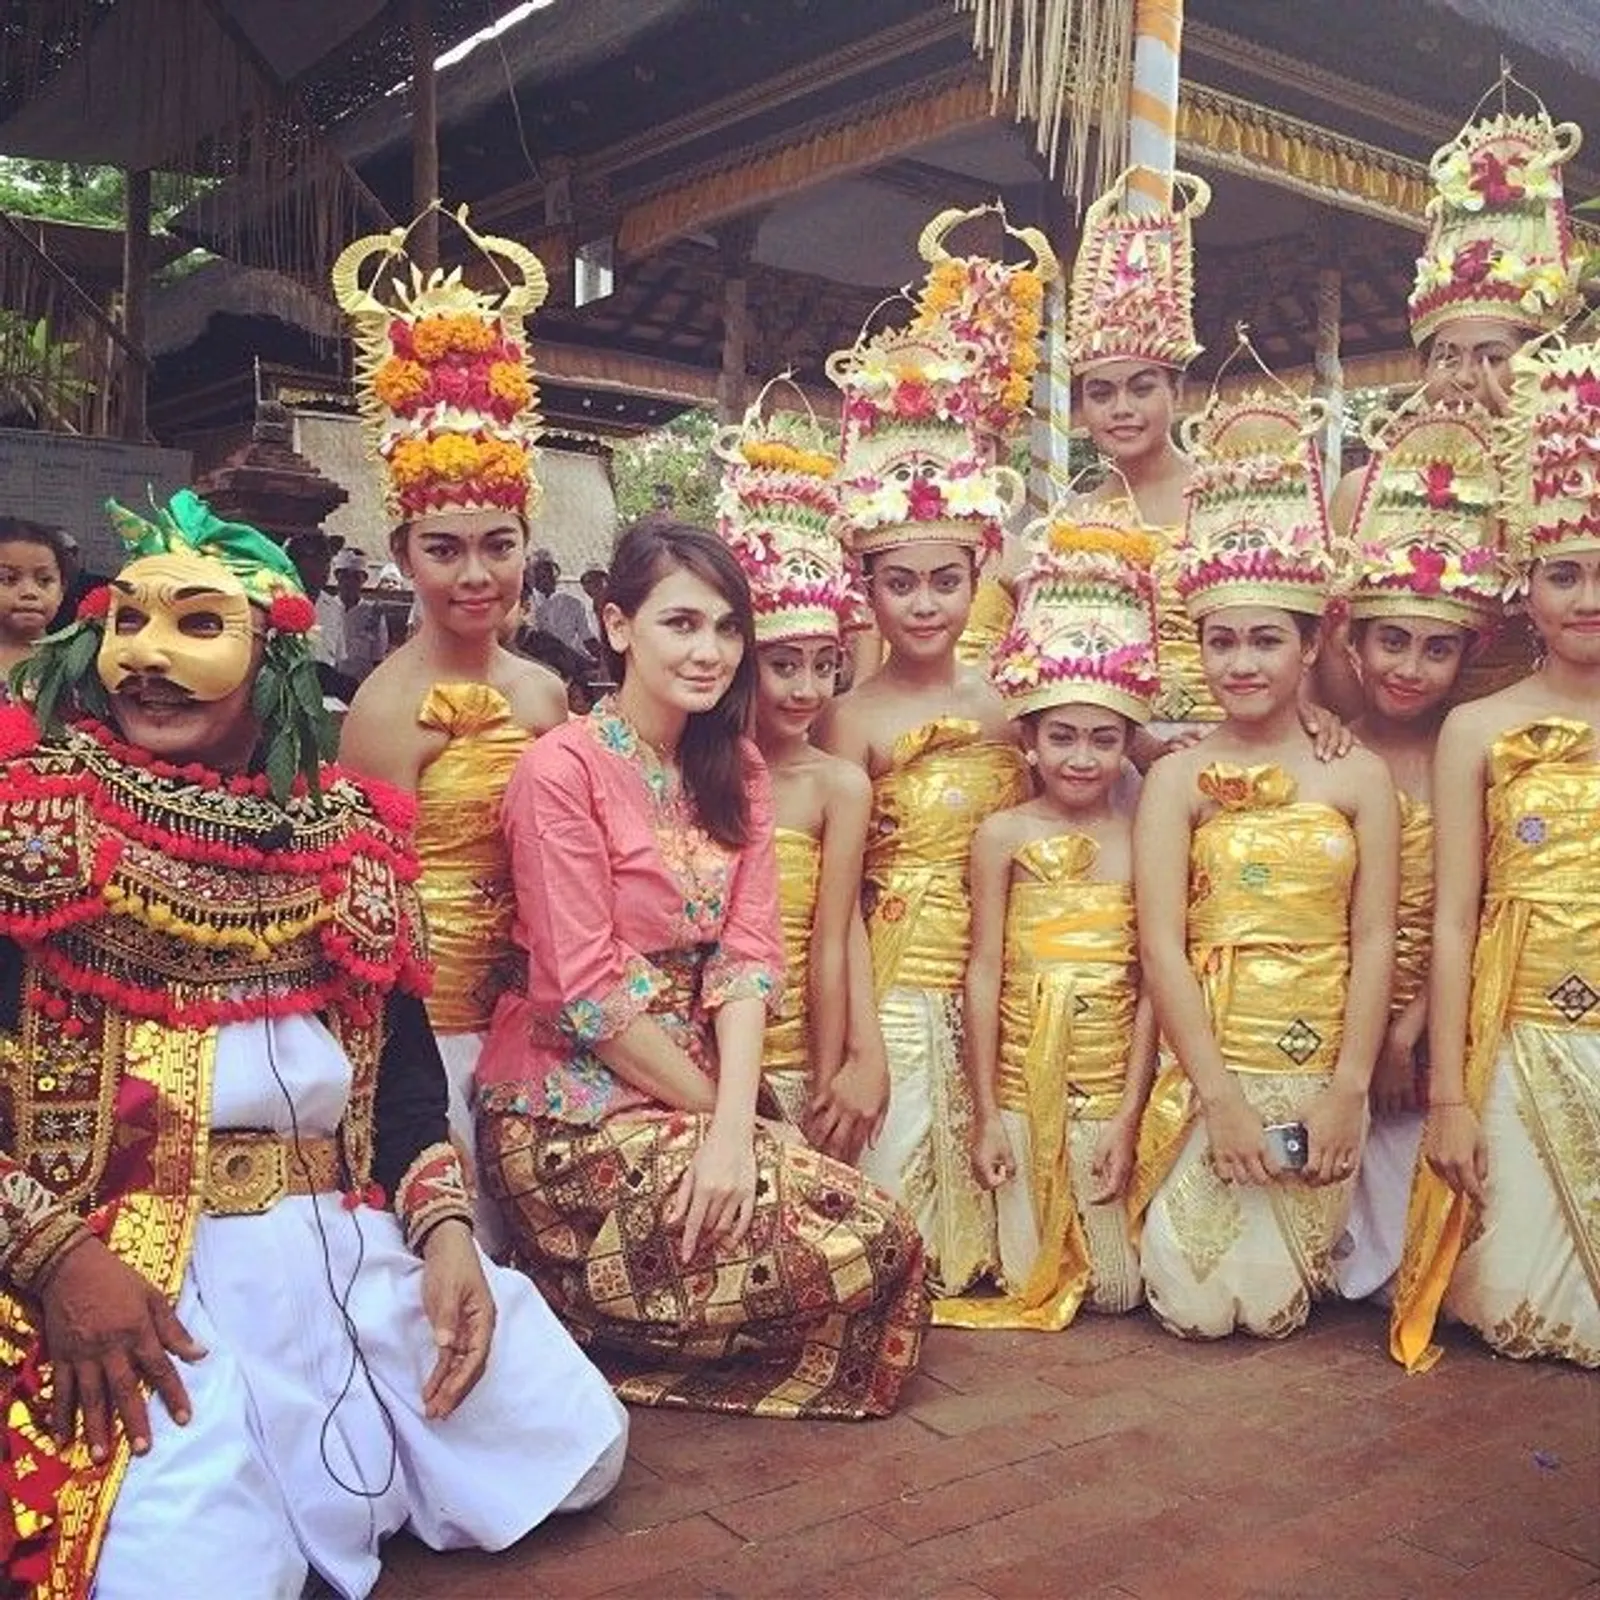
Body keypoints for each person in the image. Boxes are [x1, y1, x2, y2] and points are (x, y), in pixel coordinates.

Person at [0, 488, 625, 1599]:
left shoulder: (349, 848)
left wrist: (440, 1237)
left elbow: (404, 1093)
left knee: (574, 1448)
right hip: (132, 1268)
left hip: (337, 1240)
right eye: (129, 630)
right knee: (195, 1578)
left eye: (199, 629)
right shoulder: (36, 830)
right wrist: (58, 1261)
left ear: (275, 662)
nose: (150, 665)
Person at [475, 519, 928, 1419]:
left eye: (727, 629)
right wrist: (736, 1130)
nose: (709, 650)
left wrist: (737, 1125)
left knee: (884, 1238)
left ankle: (608, 1339)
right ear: (616, 627)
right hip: (571, 1111)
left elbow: (749, 958)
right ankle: (581, 1315)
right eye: (681, 623)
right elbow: (583, 988)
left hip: (703, 1100)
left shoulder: (738, 769)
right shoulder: (559, 770)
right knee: (861, 1237)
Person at [1131, 382, 1399, 1340]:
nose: (1242, 664)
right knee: (1195, 1304)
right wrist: (1222, 1103)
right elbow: (1160, 947)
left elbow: (1374, 944)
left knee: (1278, 1306)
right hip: (1213, 1068)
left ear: (1312, 641)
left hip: (1322, 1064)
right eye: (1221, 641)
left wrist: (1347, 1092)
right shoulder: (1178, 777)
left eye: (1265, 641)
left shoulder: (1356, 775)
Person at [333, 216, 566, 1251]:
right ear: (403, 553)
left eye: (497, 545)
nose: (476, 574)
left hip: (546, 1013)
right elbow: (364, 905)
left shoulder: (549, 691)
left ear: (526, 545)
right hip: (439, 1030)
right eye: (446, 548)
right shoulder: (385, 707)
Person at [1391, 334, 1600, 1371]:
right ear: (1524, 586)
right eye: (1562, 573)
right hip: (1518, 1033)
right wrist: (1450, 1096)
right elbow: (1456, 919)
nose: (1584, 598)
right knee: (1519, 1308)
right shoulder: (1477, 726)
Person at [818, 306, 1031, 1298]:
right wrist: (857, 1033)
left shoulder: (1014, 702)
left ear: (979, 571)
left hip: (1004, 964)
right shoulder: (848, 718)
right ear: (866, 588)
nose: (923, 603)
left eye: (945, 579)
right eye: (899, 582)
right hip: (898, 969)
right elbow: (838, 901)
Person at [946, 518, 1161, 1330]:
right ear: (1027, 740)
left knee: (1116, 1289)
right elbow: (984, 971)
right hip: (1017, 1085)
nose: (1081, 757)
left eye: (1104, 739)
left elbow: (1148, 988)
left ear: (1128, 742)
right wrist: (988, 1112)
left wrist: (1131, 1116)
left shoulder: (1144, 838)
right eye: (1062, 736)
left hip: (1107, 1084)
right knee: (1023, 1274)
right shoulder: (1002, 835)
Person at [1326, 89, 1584, 708]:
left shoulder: (1572, 486)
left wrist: (1529, 449)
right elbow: (1331, 652)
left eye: (1494, 357)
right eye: (1448, 357)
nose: (1467, 378)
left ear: (1541, 358)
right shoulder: (1362, 491)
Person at [1331, 404, 1504, 1302]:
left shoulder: (1466, 753)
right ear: (1351, 645)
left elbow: (1469, 914)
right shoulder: (1326, 752)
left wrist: (1410, 1034)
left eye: (1437, 649)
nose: (1410, 666)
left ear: (1467, 657)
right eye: (1390, 640)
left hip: (1443, 1023)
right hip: (1327, 1022)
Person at [713, 389, 888, 1160]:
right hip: (704, 1055)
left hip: (796, 1043)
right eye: (783, 666)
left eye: (825, 666)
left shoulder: (838, 785)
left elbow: (832, 935)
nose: (807, 689)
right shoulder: (694, 774)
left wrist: (833, 1066)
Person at [0, 516, 73, 682]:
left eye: (45, 581)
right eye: (8, 579)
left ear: (62, 591)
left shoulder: (77, 663)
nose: (30, 592)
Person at [331, 547, 390, 684]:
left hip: (359, 682)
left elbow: (378, 654)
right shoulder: (327, 607)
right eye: (345, 576)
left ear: (364, 579)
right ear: (337, 576)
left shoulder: (373, 612)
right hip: (329, 680)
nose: (349, 582)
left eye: (356, 577)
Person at [530, 549, 598, 659]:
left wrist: (605, 661)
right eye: (540, 573)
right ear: (532, 576)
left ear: (556, 574)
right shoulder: (526, 604)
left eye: (550, 572)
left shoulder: (574, 604)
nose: (546, 578)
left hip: (573, 662)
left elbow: (588, 639)